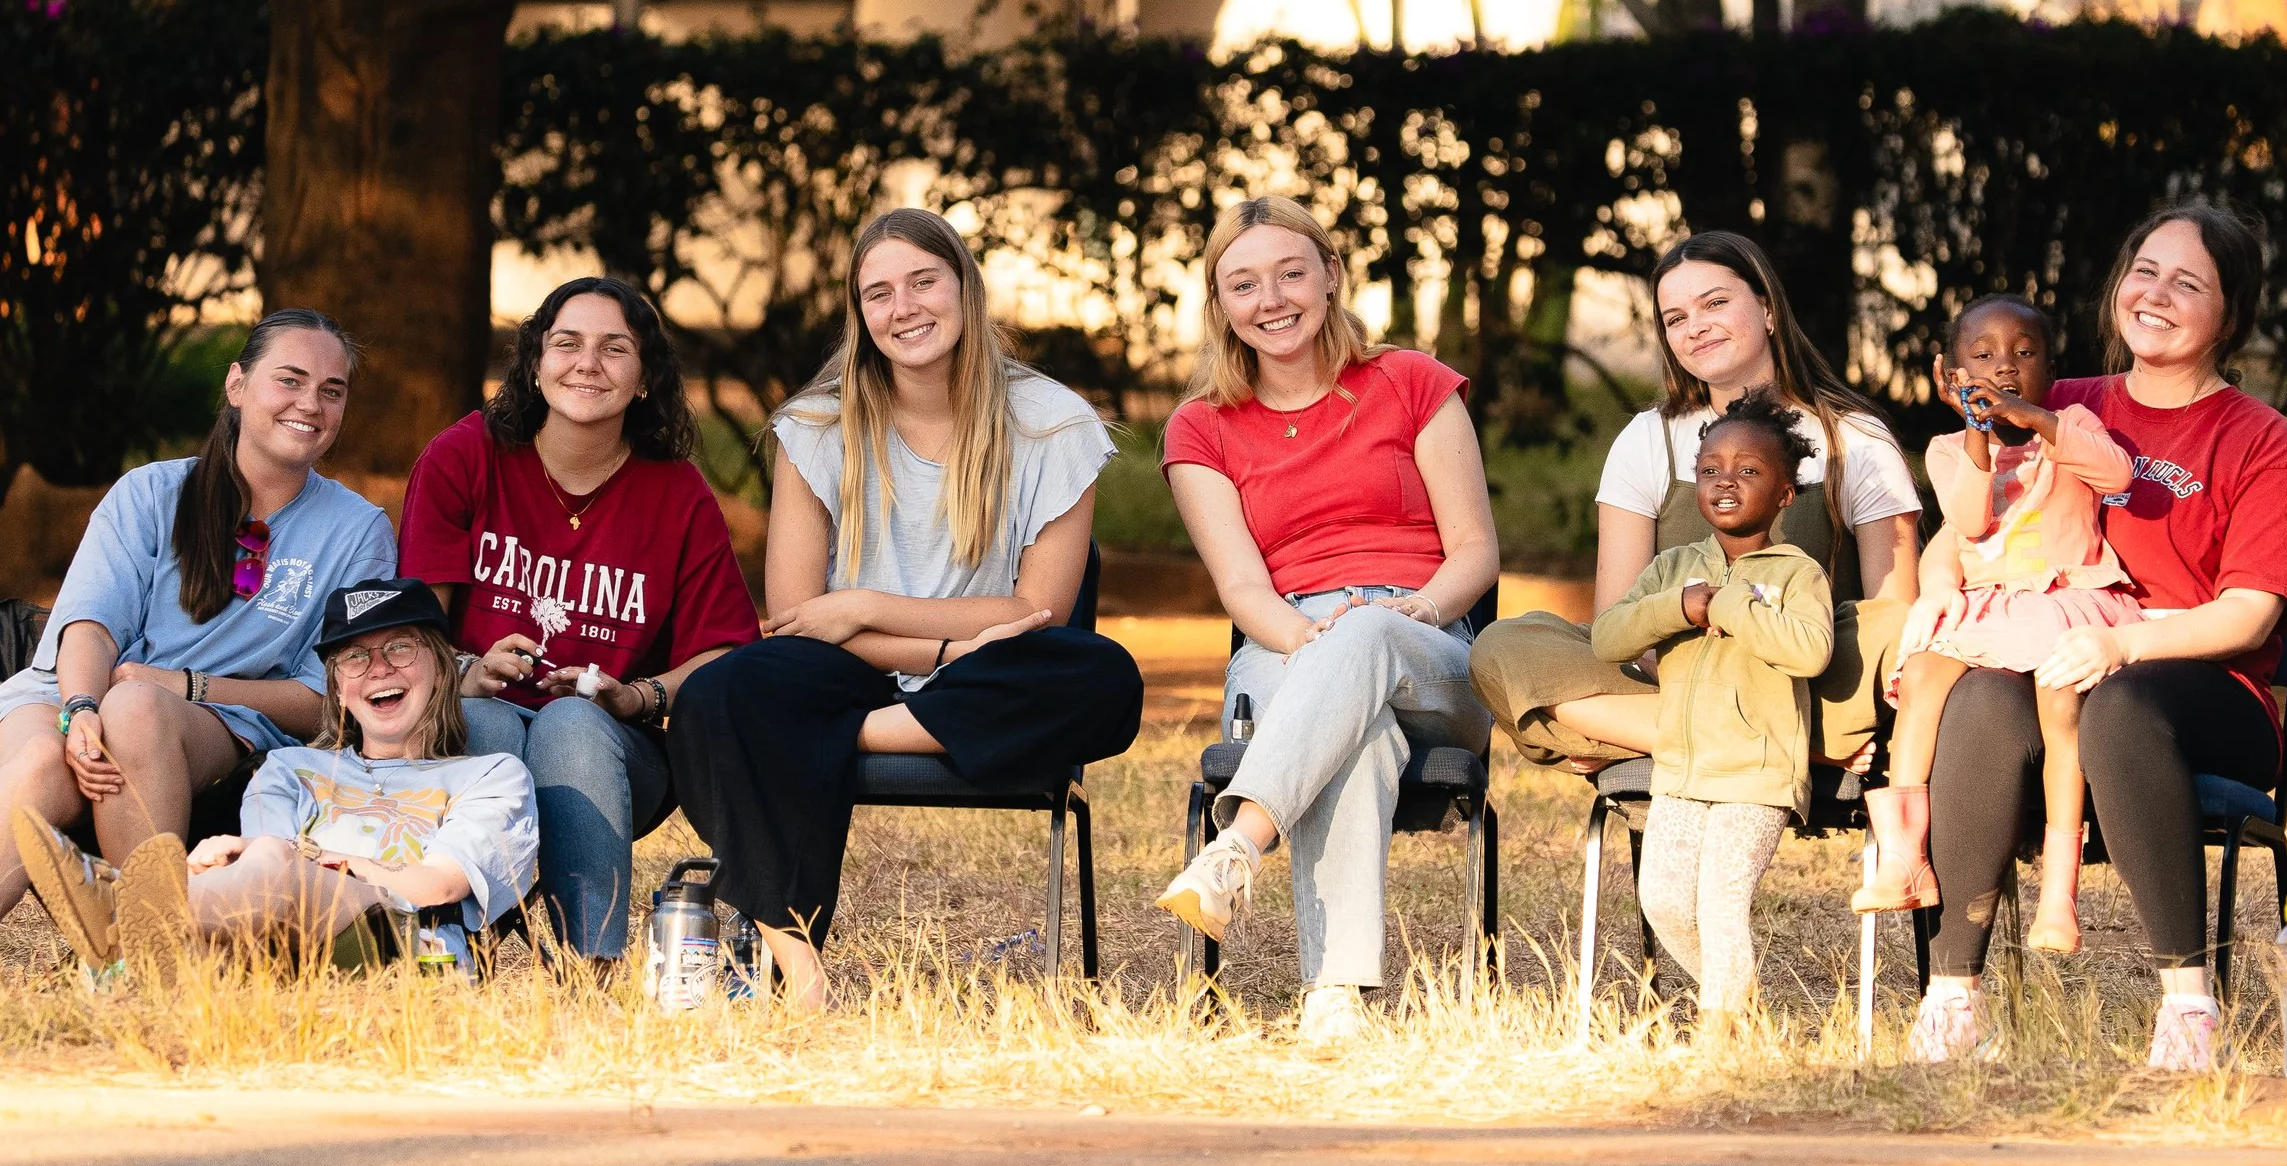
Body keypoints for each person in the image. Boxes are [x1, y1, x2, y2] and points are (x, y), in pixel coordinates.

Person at [668, 208, 1143, 1007]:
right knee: (720, 694)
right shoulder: (815, 425)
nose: (904, 308)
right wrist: (941, 648)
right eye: (879, 293)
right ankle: (799, 969)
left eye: (924, 282)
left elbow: (1037, 615)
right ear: (860, 313)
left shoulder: (1053, 423)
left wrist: (863, 605)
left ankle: (833, 737)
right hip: (849, 672)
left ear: (964, 288)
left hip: (992, 674)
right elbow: (795, 619)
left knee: (1104, 677)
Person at [1911, 204, 2287, 1071]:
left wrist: (2124, 647)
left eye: (2189, 282)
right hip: (2052, 657)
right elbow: (1975, 521)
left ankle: (2188, 1010)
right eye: (2144, 271)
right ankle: (1954, 999)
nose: (2156, 294)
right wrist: (1940, 584)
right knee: (1982, 694)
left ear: (2230, 316)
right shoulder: (2058, 403)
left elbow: (2251, 616)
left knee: (2123, 707)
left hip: (2199, 686)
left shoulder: (2261, 441)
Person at [1152, 196, 1499, 1047]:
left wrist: (1408, 612)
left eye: (1290, 272)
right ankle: (1335, 995)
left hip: (1425, 639)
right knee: (1362, 732)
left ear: (1332, 274)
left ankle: (1237, 845)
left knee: (1368, 643)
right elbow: (1241, 586)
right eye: (1243, 283)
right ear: (1220, 304)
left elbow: (1475, 552)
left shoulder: (1412, 381)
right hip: (1283, 639)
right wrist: (1308, 640)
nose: (1270, 299)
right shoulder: (1200, 427)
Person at [396, 275, 759, 964]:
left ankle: (587, 964)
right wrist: (468, 672)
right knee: (493, 721)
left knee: (570, 722)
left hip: (616, 749)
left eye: (614, 349)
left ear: (646, 377)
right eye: (566, 343)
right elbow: (412, 633)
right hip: (473, 718)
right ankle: (446, 948)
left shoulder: (678, 494)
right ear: (535, 364)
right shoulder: (465, 455)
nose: (587, 363)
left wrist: (634, 694)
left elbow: (728, 655)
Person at [1470, 232, 1921, 782]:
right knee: (1502, 646)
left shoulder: (1854, 438)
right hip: (1674, 674)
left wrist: (1765, 651)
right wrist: (1703, 662)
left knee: (1898, 629)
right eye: (1675, 318)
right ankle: (1789, 744)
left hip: (1803, 674)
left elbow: (1894, 614)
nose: (1696, 327)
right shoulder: (1647, 439)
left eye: (1715, 303)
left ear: (1767, 307)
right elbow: (1620, 620)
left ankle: (1638, 736)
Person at [0, 311, 395, 930]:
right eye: (289, 380)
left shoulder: (358, 532)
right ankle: (140, 943)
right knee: (44, 764)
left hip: (218, 720)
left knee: (136, 711)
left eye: (332, 390)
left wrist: (184, 687)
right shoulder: (151, 493)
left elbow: (331, 698)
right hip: (71, 688)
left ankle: (147, 939)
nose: (310, 404)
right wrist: (79, 709)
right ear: (237, 386)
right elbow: (90, 622)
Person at [13, 577, 537, 977]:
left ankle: (127, 917)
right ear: (337, 690)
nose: (378, 669)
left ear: (443, 667)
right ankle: (150, 933)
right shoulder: (291, 768)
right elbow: (260, 875)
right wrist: (214, 868)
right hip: (283, 941)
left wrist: (303, 860)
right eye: (354, 657)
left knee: (266, 858)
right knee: (243, 870)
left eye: (401, 648)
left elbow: (436, 884)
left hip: (416, 950)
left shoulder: (491, 775)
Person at [1852, 294, 2140, 953]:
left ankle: (2059, 898)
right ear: (1951, 375)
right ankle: (1904, 856)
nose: (2003, 368)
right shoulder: (1950, 448)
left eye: (2024, 354)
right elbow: (1971, 520)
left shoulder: (2072, 425)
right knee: (1922, 674)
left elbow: (2116, 470)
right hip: (1990, 607)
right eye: (1982, 356)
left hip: (2065, 600)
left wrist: (2034, 420)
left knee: (2059, 706)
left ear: (2051, 368)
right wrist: (1980, 433)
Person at [1590, 390, 1833, 1031]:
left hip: (1754, 773)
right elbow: (1609, 636)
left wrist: (1730, 607)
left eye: (1749, 471)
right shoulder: (1673, 568)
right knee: (1666, 901)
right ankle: (1742, 1005)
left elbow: (1810, 651)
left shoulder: (1795, 573)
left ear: (1785, 494)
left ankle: (1721, 1033)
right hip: (1680, 769)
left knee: (1720, 901)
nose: (1726, 482)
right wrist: (1682, 607)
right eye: (1710, 470)